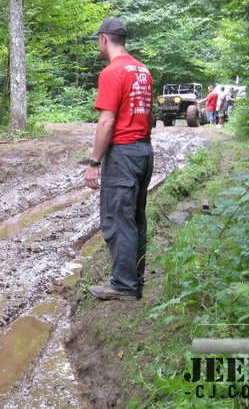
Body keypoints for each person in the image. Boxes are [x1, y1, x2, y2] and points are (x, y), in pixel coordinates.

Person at [84, 17, 154, 301]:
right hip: (144, 151)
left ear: (104, 39)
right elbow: (150, 115)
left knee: (118, 219)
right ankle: (132, 280)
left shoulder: (112, 72)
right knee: (136, 218)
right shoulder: (143, 70)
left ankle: (123, 285)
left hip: (123, 153)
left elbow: (107, 121)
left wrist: (94, 163)